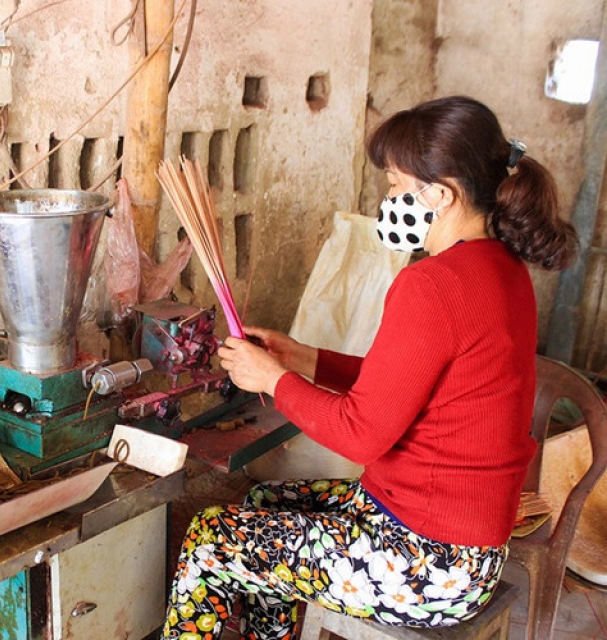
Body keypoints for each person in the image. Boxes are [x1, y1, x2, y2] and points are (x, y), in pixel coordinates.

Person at [161, 95, 579, 640]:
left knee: (211, 539)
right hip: (461, 543)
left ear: (440, 195)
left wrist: (273, 381)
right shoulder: (502, 268)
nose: (389, 200)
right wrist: (304, 359)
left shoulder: (433, 285)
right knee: (264, 501)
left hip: (425, 564)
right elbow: (405, 383)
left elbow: (361, 435)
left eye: (394, 187)